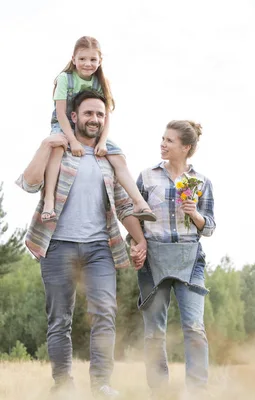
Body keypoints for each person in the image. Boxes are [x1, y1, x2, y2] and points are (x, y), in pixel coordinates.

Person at [16, 89, 147, 398]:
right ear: (73, 116)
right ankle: (62, 384)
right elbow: (29, 182)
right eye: (88, 113)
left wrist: (139, 241)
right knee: (59, 318)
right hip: (57, 245)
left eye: (100, 114)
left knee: (105, 312)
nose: (94, 119)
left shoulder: (109, 157)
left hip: (100, 248)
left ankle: (101, 384)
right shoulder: (58, 150)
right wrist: (46, 143)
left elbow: (124, 205)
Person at [131, 120, 215, 397]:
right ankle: (159, 393)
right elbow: (132, 217)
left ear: (186, 147)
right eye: (163, 139)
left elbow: (210, 227)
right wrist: (136, 244)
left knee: (194, 328)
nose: (163, 144)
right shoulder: (146, 176)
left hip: (190, 260)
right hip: (153, 259)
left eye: (170, 141)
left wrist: (195, 213)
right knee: (154, 332)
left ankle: (197, 393)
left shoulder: (201, 182)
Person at [42, 36, 155, 223]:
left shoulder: (101, 81)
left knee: (117, 155)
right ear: (74, 59)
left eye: (93, 60)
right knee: (56, 148)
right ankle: (49, 201)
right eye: (83, 59)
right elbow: (61, 113)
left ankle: (139, 202)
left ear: (100, 61)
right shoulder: (64, 79)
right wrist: (72, 140)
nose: (88, 64)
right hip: (64, 125)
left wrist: (102, 141)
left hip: (91, 126)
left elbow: (107, 115)